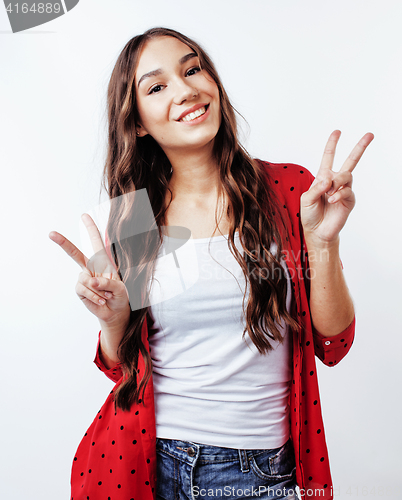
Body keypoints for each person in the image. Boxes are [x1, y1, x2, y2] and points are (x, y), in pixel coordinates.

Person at [49, 27, 373, 500]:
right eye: (157, 87)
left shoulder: (288, 190)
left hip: (259, 473)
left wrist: (322, 243)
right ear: (137, 122)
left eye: (192, 68)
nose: (185, 90)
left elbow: (333, 343)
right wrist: (113, 320)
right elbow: (122, 367)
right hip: (148, 467)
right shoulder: (132, 218)